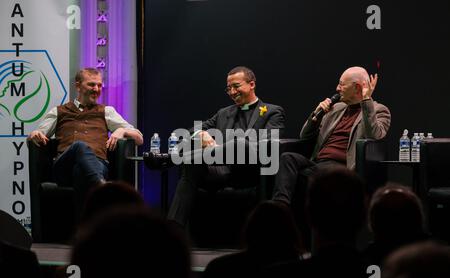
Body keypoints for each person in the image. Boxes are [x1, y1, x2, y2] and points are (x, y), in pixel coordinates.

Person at [168, 66, 285, 227]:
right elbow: (190, 132)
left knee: (240, 143)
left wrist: (220, 149)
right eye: (228, 88)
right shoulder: (224, 113)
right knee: (191, 164)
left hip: (250, 170)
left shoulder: (272, 112)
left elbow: (270, 145)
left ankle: (177, 157)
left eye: (236, 86)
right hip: (222, 170)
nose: (232, 92)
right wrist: (201, 134)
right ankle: (173, 229)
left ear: (251, 84)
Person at [272, 66, 391, 222]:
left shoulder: (379, 110)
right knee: (288, 157)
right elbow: (304, 135)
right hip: (318, 163)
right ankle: (279, 208)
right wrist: (316, 115)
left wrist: (366, 100)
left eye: (342, 85)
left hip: (342, 167)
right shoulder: (337, 108)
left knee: (301, 178)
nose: (337, 88)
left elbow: (374, 136)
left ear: (357, 87)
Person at [27, 68, 143, 197]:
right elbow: (35, 136)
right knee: (79, 146)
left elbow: (139, 139)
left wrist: (121, 130)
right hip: (64, 167)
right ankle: (101, 187)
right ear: (78, 86)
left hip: (97, 165)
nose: (96, 89)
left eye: (99, 85)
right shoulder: (59, 111)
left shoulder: (106, 111)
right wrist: (34, 135)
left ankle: (95, 190)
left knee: (80, 172)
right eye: (91, 84)